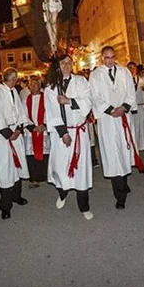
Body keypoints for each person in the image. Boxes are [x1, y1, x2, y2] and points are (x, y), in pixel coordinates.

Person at [89, 46, 142, 209]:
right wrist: (110, 109)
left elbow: (130, 93)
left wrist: (124, 107)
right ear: (101, 58)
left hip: (123, 116)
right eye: (106, 57)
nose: (110, 60)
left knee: (124, 150)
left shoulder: (124, 72)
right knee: (112, 153)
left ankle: (123, 181)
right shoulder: (95, 75)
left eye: (112, 57)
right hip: (107, 119)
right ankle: (119, 194)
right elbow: (94, 96)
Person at [45, 54, 94, 220]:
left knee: (81, 171)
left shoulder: (81, 81)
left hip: (79, 132)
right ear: (57, 66)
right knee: (60, 168)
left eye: (69, 62)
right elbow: (51, 113)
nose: (66, 65)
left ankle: (84, 205)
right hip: (61, 134)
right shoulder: (51, 87)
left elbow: (88, 102)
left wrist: (69, 101)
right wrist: (63, 133)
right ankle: (62, 193)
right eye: (63, 63)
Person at [0, 68, 32, 219]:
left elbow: (20, 112)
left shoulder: (13, 91)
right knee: (5, 170)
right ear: (12, 79)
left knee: (17, 166)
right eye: (16, 79)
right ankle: (5, 206)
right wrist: (8, 134)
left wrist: (19, 129)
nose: (17, 81)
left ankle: (16, 196)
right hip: (3, 139)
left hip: (15, 135)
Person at [22, 75, 50, 188]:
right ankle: (34, 179)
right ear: (29, 86)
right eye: (32, 84)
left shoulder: (46, 98)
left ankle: (45, 175)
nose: (34, 86)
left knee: (45, 154)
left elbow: (50, 112)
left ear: (40, 85)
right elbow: (23, 115)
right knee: (31, 156)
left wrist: (44, 125)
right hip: (31, 131)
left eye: (36, 84)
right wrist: (32, 126)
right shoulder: (25, 100)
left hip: (43, 130)